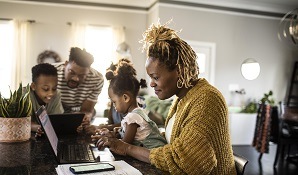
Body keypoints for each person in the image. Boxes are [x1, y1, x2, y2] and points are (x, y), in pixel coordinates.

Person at [93, 20, 236, 174]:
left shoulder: (207, 99)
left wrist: (126, 147)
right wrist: (124, 134)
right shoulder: (181, 99)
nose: (152, 84)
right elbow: (175, 141)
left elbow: (185, 161)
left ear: (179, 70)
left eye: (155, 77)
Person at [91, 58, 167, 149]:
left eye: (114, 102)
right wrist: (110, 134)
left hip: (154, 156)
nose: (113, 106)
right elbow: (124, 138)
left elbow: (124, 145)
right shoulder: (135, 114)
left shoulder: (133, 117)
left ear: (125, 98)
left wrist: (107, 140)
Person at [53, 47, 104, 128]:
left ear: (89, 70)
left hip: (78, 113)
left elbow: (87, 110)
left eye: (82, 75)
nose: (76, 79)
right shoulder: (51, 72)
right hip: (55, 111)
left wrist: (85, 117)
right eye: (72, 72)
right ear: (65, 64)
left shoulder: (97, 79)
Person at [29, 63, 64, 136]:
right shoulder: (25, 96)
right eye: (46, 89)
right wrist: (38, 127)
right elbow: (19, 122)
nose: (51, 93)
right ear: (33, 86)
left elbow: (57, 121)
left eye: (54, 88)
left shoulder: (56, 95)